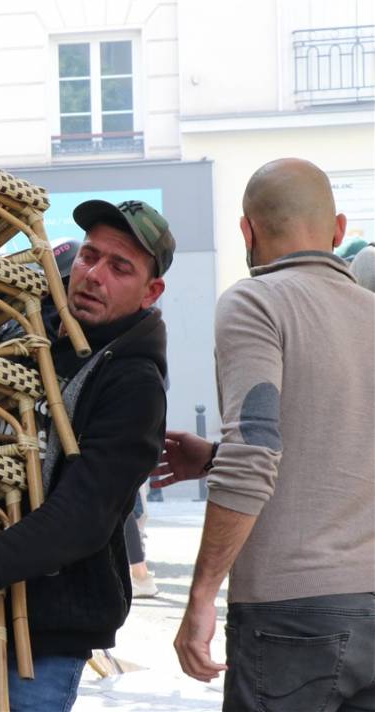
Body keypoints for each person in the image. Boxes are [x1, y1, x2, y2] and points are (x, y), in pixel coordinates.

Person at [0, 199, 176, 711]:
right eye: (90, 256)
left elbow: (80, 518)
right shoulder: (23, 331)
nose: (93, 275)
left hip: (37, 639)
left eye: (120, 267)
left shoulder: (134, 383)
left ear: (150, 292)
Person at [158, 159, 375, 710]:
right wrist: (214, 458)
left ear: (246, 231)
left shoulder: (255, 301)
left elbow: (254, 449)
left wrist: (202, 596)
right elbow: (343, 445)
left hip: (291, 613)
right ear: (338, 230)